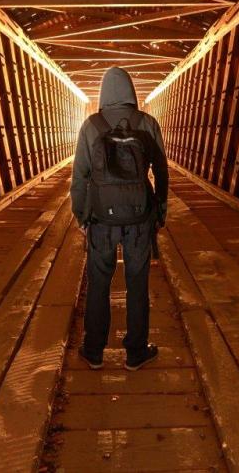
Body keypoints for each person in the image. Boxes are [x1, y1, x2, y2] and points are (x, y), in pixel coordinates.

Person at [70, 67, 168, 371]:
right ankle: (136, 352)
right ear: (131, 92)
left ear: (102, 93)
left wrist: (81, 216)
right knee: (137, 284)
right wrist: (160, 212)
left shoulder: (91, 126)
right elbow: (162, 172)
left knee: (99, 282)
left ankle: (94, 350)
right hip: (139, 218)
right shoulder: (147, 123)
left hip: (101, 219)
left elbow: (80, 177)